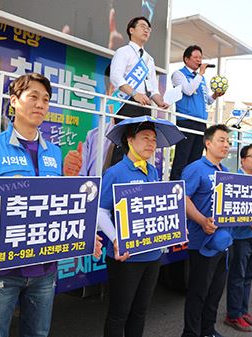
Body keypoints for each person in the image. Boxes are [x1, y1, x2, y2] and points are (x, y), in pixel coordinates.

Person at [0, 73, 102, 337]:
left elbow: (57, 208)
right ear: (14, 101)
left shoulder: (54, 153)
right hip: (0, 270)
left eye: (45, 99)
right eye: (32, 96)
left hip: (45, 272)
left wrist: (84, 236)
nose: (40, 104)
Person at [97, 117, 184, 337]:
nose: (151, 144)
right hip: (126, 258)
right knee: (119, 314)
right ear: (130, 140)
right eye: (145, 138)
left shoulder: (153, 171)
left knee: (140, 312)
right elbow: (100, 211)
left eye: (154, 140)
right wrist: (117, 238)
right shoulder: (115, 173)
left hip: (152, 255)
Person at [181, 124, 232, 337]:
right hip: (201, 242)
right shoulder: (195, 168)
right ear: (208, 143)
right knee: (198, 293)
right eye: (221, 140)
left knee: (215, 292)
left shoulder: (227, 172)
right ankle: (191, 333)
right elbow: (183, 198)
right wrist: (202, 220)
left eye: (228, 142)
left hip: (223, 242)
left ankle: (208, 330)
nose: (226, 145)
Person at [109, 16, 169, 166]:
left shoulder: (149, 59)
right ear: (131, 30)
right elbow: (116, 76)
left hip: (145, 106)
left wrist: (160, 102)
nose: (146, 30)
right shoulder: (123, 52)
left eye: (148, 28)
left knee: (141, 146)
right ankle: (116, 182)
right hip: (126, 104)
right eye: (143, 26)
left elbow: (153, 88)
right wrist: (135, 94)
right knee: (125, 145)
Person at [224, 144, 252, 332]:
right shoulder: (235, 180)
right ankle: (233, 315)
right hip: (239, 237)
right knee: (237, 277)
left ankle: (242, 310)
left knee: (248, 276)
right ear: (242, 160)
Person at [169, 45, 223, 181]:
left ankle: (190, 186)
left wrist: (215, 96)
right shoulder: (179, 74)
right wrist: (200, 74)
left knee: (196, 158)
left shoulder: (201, 79)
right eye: (196, 57)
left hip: (201, 122)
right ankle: (176, 185)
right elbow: (188, 90)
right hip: (186, 121)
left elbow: (206, 101)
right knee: (182, 156)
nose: (199, 60)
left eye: (201, 57)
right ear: (186, 59)